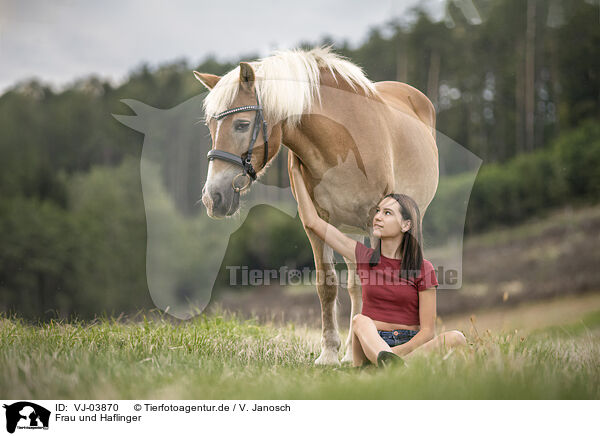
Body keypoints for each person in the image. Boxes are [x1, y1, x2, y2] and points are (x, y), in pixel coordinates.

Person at [289, 155, 467, 367]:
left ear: (406, 225)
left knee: (457, 338)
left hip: (409, 346)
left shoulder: (423, 269)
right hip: (370, 343)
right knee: (360, 321)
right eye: (378, 211)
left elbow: (428, 332)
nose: (378, 217)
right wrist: (295, 172)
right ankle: (389, 363)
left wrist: (396, 353)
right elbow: (313, 222)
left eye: (387, 213)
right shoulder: (364, 257)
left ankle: (391, 366)